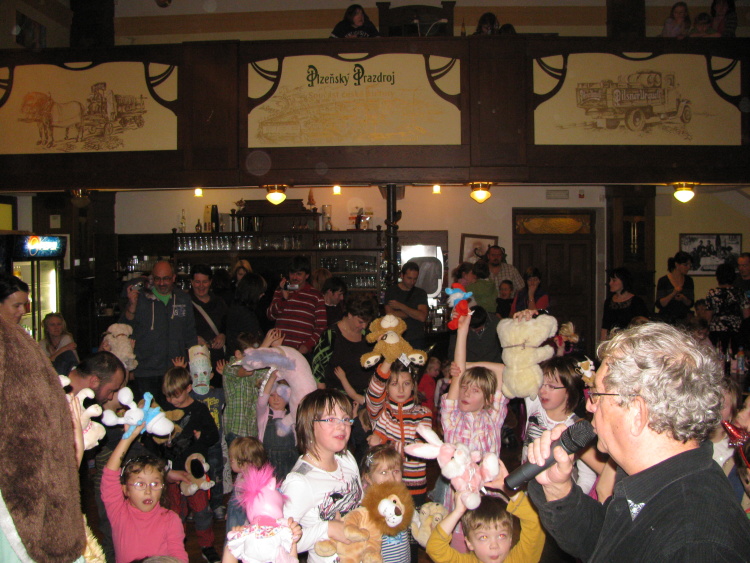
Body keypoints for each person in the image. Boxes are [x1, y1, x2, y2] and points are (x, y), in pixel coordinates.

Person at [526, 322, 750, 561]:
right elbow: (605, 542)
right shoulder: (655, 476)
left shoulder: (696, 545)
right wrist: (558, 489)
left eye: (597, 395)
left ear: (638, 413)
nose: (589, 406)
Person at [437, 313, 507, 549]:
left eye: (475, 391)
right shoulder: (452, 418)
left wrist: (468, 367)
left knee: (490, 549)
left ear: (488, 398)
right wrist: (462, 331)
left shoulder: (494, 417)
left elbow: (504, 369)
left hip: (489, 503)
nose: (466, 393)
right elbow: (457, 376)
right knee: (459, 552)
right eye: (465, 388)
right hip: (458, 508)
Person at [281, 389, 363, 563]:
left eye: (346, 419)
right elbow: (280, 541)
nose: (342, 426)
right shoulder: (299, 481)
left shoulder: (347, 459)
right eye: (331, 419)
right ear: (310, 425)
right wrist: (327, 529)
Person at [103, 424, 187, 563]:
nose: (148, 491)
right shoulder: (119, 513)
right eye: (140, 484)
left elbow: (178, 557)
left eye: (155, 484)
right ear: (125, 490)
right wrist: (127, 438)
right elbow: (109, 475)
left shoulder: (171, 520)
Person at [161, 366, 220, 563]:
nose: (172, 400)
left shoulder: (199, 409)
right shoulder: (165, 410)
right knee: (175, 513)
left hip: (195, 471)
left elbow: (213, 435)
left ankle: (207, 545)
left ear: (188, 388)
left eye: (176, 395)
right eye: (168, 396)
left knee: (202, 511)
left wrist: (201, 437)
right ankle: (175, 547)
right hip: (172, 471)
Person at [121, 260, 197, 404]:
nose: (161, 283)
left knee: (175, 414)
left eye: (166, 278)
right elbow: (124, 328)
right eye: (157, 279)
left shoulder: (183, 299)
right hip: (145, 371)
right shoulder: (140, 298)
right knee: (147, 413)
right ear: (152, 278)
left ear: (173, 278)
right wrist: (131, 306)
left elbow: (190, 334)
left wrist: (193, 366)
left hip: (175, 371)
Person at [522, 357, 597, 496]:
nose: (542, 391)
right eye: (541, 384)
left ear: (569, 390)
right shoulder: (535, 404)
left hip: (555, 498)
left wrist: (567, 500)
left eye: (551, 386)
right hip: (526, 493)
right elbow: (512, 371)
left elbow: (587, 477)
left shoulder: (576, 428)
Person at [366, 357, 432, 504]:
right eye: (394, 384)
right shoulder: (382, 412)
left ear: (413, 385)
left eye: (406, 383)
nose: (401, 390)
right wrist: (388, 359)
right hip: (385, 486)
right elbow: (373, 392)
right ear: (386, 387)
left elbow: (420, 450)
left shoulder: (424, 413)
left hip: (415, 489)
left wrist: (383, 443)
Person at [426, 487, 544, 563]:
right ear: (469, 543)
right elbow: (435, 548)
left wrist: (509, 489)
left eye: (501, 536)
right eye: (484, 537)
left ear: (510, 539)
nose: (494, 546)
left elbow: (534, 522)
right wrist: (457, 512)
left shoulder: (520, 559)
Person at [218, 328, 282, 444]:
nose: (256, 360)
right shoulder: (230, 367)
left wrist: (277, 348)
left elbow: (275, 373)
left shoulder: (257, 369)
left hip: (252, 432)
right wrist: (265, 345)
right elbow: (248, 370)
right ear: (238, 354)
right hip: (235, 430)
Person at [312, 292, 379, 398]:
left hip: (365, 396)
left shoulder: (368, 335)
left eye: (367, 322)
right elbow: (318, 369)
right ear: (350, 315)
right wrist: (323, 397)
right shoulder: (331, 335)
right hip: (339, 396)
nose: (364, 326)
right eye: (360, 322)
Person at [267, 255, 327, 356]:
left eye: (299, 274)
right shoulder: (280, 290)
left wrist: (308, 345)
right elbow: (270, 315)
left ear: (306, 275)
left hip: (302, 352)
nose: (295, 277)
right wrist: (284, 299)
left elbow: (321, 327)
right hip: (280, 350)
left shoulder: (316, 296)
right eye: (292, 273)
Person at [359, 445, 411, 562]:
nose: (391, 478)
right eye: (383, 472)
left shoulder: (401, 500)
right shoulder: (368, 509)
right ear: (368, 478)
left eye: (396, 471)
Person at [257, 370, 297, 481]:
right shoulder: (264, 414)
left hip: (289, 461)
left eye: (280, 395)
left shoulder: (293, 415)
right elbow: (262, 400)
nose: (276, 399)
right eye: (272, 395)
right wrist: (272, 378)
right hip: (268, 462)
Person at [189, 264, 228, 373]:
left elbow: (227, 325)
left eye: (205, 282)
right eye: (197, 282)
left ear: (210, 282)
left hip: (218, 361)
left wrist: (223, 335)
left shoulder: (219, 302)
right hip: (195, 361)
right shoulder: (185, 303)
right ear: (192, 282)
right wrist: (193, 338)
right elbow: (178, 329)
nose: (201, 286)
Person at [705, 262, 749, 354]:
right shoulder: (740, 293)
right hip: (736, 332)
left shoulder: (712, 294)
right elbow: (747, 316)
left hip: (717, 332)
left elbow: (708, 317)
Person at [226, 436, 268, 530]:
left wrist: (247, 525)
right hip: (234, 514)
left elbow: (252, 508)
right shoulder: (241, 475)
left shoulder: (250, 483)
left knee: (235, 535)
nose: (230, 462)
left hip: (241, 521)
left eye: (232, 460)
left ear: (244, 464)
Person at [384, 261, 429, 349]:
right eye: (409, 278)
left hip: (416, 338)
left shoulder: (420, 293)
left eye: (415, 279)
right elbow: (390, 315)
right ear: (402, 275)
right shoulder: (391, 291)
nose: (412, 282)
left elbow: (422, 317)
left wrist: (401, 306)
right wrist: (414, 313)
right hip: (396, 338)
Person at [600, 267, 649, 341]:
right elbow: (605, 326)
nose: (610, 283)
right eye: (610, 280)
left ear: (623, 281)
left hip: (630, 340)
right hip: (613, 340)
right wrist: (603, 343)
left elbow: (642, 325)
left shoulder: (637, 302)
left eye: (614, 280)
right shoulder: (608, 301)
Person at [225, 272, 266, 358]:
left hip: (235, 356)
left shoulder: (235, 307)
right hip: (243, 358)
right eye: (261, 292)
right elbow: (253, 344)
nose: (263, 294)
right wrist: (268, 341)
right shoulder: (245, 314)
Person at [655, 251, 694, 325]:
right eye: (686, 265)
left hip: (684, 319)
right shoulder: (663, 280)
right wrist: (673, 294)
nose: (688, 267)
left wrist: (683, 298)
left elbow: (691, 303)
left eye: (690, 265)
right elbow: (660, 304)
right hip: (666, 319)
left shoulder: (689, 280)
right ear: (677, 264)